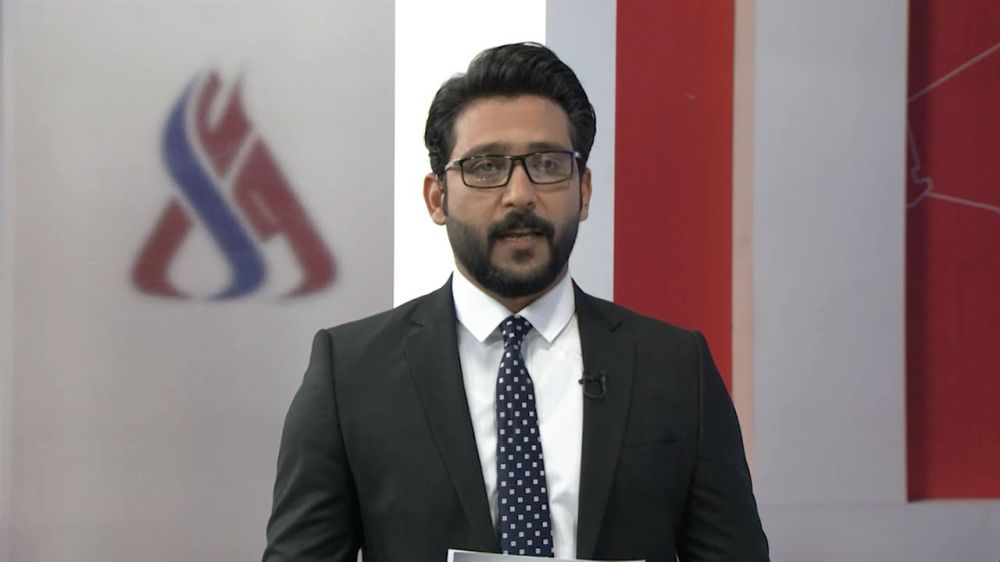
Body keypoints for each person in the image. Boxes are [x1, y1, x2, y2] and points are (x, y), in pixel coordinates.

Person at [263, 42, 768, 562]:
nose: (520, 193)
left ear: (583, 191)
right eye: (486, 167)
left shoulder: (676, 368)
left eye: (547, 164)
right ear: (437, 198)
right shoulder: (350, 373)